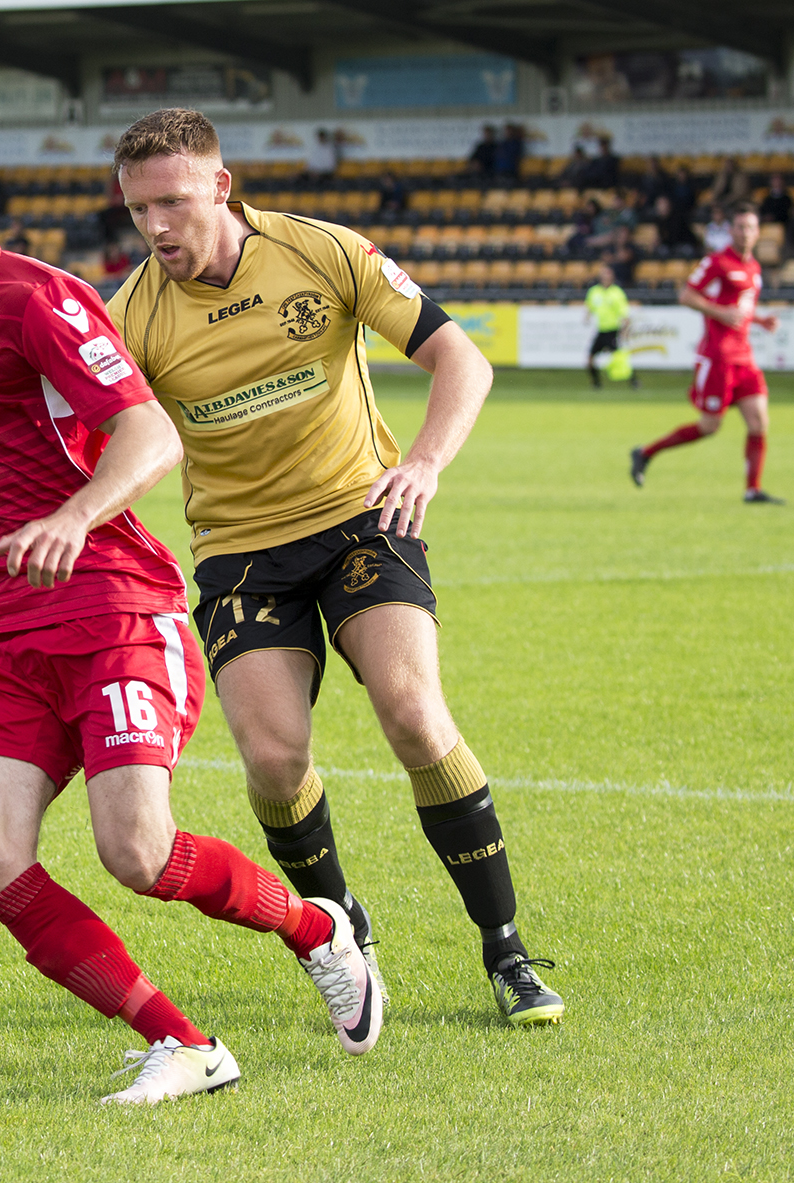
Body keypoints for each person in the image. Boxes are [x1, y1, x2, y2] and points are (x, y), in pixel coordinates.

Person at [0, 106, 377, 1106]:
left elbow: (149, 434)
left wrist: (75, 516)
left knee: (138, 853)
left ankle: (315, 927)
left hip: (110, 605)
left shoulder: (36, 297)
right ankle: (187, 1043)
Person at [107, 107, 566, 1030]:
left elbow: (458, 359)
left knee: (413, 712)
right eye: (137, 211)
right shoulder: (134, 314)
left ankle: (506, 947)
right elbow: (109, 434)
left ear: (221, 187)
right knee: (275, 762)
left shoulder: (322, 253)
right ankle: (343, 926)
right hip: (240, 551)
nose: (156, 229)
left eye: (173, 203)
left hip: (363, 519)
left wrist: (425, 460)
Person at [629, 202, 784, 503]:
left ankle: (752, 489)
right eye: (740, 227)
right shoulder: (717, 262)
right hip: (718, 357)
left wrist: (761, 320)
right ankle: (646, 453)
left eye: (751, 227)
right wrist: (720, 313)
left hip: (745, 357)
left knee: (759, 422)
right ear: (731, 230)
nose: (745, 233)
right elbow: (686, 295)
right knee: (709, 426)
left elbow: (742, 309)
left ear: (758, 232)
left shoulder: (753, 267)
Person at [583, 260, 636, 389]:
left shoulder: (616, 293)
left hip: (613, 330)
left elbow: (624, 313)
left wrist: (625, 329)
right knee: (590, 357)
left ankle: (633, 381)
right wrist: (587, 316)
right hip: (601, 330)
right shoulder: (594, 292)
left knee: (620, 359)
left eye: (608, 275)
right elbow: (590, 307)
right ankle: (596, 383)